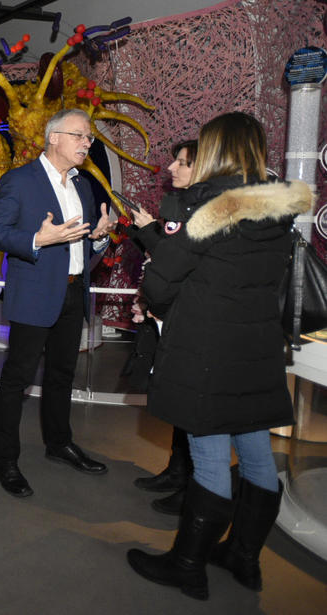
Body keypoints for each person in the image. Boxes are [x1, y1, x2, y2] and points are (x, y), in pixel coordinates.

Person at [127, 111, 311, 600]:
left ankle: (187, 565)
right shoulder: (277, 208)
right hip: (256, 348)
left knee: (208, 455)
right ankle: (244, 558)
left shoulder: (208, 205)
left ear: (216, 151)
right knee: (255, 454)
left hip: (206, 347)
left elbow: (162, 279)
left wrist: (165, 301)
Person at [0, 108, 114, 498]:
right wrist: (38, 240)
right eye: (79, 135)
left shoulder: (84, 186)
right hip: (36, 293)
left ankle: (59, 443)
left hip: (74, 292)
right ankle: (5, 459)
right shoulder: (19, 180)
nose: (86, 143)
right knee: (17, 380)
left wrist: (101, 237)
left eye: (89, 138)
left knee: (62, 374)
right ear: (53, 137)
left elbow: (84, 240)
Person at [125, 140, 198, 517]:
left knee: (192, 408)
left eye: (182, 163)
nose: (172, 167)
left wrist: (150, 230)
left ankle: (192, 484)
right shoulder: (182, 207)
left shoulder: (204, 212)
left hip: (189, 319)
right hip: (170, 316)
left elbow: (174, 263)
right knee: (176, 401)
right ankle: (176, 471)